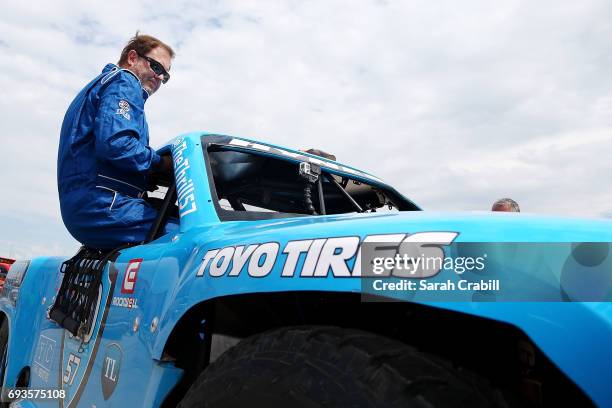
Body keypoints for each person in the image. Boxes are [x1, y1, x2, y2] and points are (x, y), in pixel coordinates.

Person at [57, 33, 176, 250]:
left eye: (165, 76)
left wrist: (145, 175)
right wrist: (162, 164)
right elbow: (116, 144)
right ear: (132, 58)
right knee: (187, 235)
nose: (159, 78)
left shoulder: (103, 84)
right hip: (104, 204)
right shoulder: (125, 81)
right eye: (157, 68)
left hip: (85, 204)